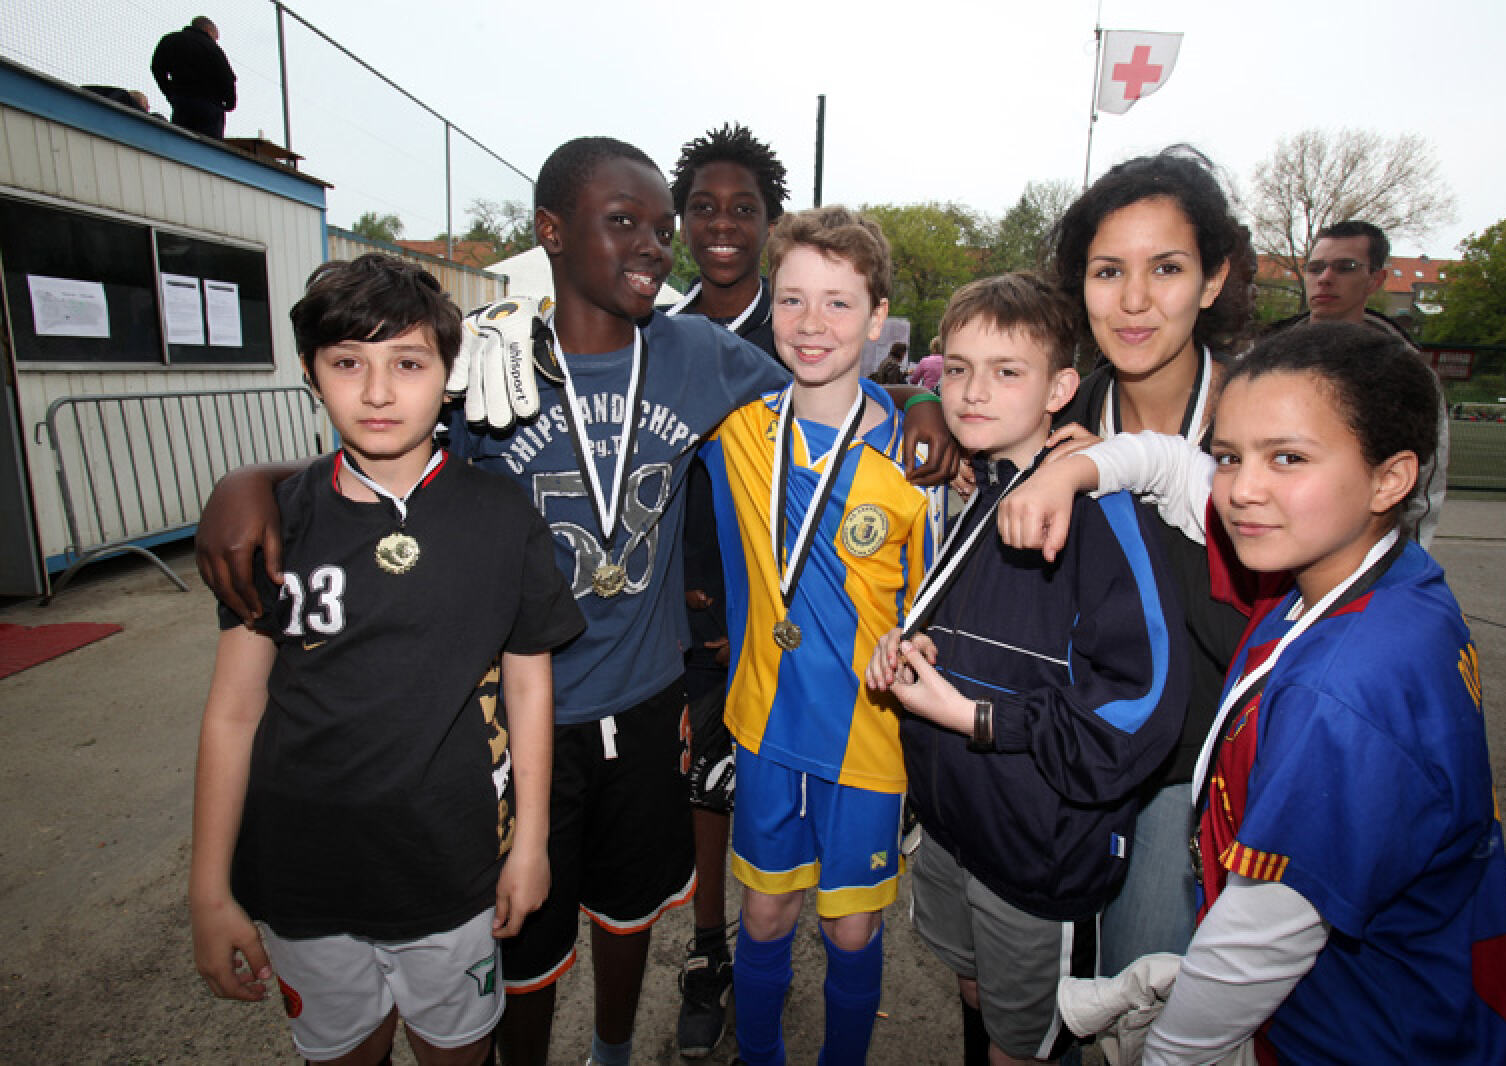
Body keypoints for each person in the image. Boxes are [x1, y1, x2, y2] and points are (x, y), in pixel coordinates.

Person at [193, 136, 958, 1066]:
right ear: (550, 231)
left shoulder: (697, 356)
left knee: (629, 911)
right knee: (523, 932)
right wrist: (254, 482)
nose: (653, 247)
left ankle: (613, 1049)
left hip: (647, 698)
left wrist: (921, 403)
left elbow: (823, 387)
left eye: (661, 229)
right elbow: (382, 438)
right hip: (525, 708)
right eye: (624, 222)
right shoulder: (494, 364)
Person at [1021, 323, 1506, 1063]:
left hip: (1358, 1034)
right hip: (1392, 992)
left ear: (1391, 478)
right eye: (1230, 456)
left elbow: (1261, 939)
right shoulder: (1368, 574)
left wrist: (1174, 1051)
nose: (1242, 490)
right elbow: (1174, 464)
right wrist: (1075, 470)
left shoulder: (1348, 685)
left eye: (1287, 457)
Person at [188, 254, 584, 1065]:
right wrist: (207, 889)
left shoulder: (501, 515)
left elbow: (528, 685)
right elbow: (233, 711)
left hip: (452, 868)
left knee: (457, 1050)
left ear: (448, 375)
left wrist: (531, 843)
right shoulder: (272, 525)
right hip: (302, 874)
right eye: (347, 364)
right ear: (310, 372)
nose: (376, 392)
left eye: (407, 363)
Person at [863, 273, 1188, 1065]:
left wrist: (975, 718)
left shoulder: (1102, 513)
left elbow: (1136, 714)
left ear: (1060, 389)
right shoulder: (984, 485)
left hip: (1040, 854)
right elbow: (983, 637)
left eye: (1007, 371)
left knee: (1026, 1043)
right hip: (954, 826)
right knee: (975, 993)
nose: (973, 392)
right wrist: (914, 647)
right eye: (959, 368)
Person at [1007, 146, 1255, 983]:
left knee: (1148, 991)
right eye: (1109, 271)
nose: (1135, 300)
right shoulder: (1057, 416)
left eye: (1168, 268)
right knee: (1048, 993)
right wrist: (933, 415)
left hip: (1206, 772)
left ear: (1213, 280)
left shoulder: (1266, 424)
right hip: (1081, 752)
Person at [697, 206, 932, 1066]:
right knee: (763, 914)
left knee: (851, 929)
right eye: (792, 299)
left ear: (877, 319)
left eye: (838, 303)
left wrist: (927, 402)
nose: (811, 323)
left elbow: (927, 609)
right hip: (765, 725)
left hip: (867, 735)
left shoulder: (918, 459)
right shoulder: (734, 427)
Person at [665, 121, 790, 1058]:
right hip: (686, 615)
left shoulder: (799, 331)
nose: (721, 224)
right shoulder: (655, 336)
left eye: (742, 208)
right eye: (703, 207)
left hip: (775, 617)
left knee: (773, 798)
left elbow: (860, 419)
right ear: (679, 223)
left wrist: (920, 404)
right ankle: (708, 954)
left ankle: (765, 957)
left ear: (769, 224)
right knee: (706, 793)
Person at [1264, 219, 1449, 546]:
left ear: (1375, 279)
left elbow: (1424, 485)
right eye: (1315, 268)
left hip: (1358, 548)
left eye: (1345, 268)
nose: (1325, 278)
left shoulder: (1403, 372)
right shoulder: (1263, 360)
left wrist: (1407, 558)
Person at [151, 16, 236, 139]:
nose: (215, 40)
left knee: (181, 138)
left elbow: (157, 68)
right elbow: (227, 78)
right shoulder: (212, 48)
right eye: (215, 37)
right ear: (208, 30)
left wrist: (170, 93)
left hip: (182, 102)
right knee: (209, 143)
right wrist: (229, 104)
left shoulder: (170, 40)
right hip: (209, 105)